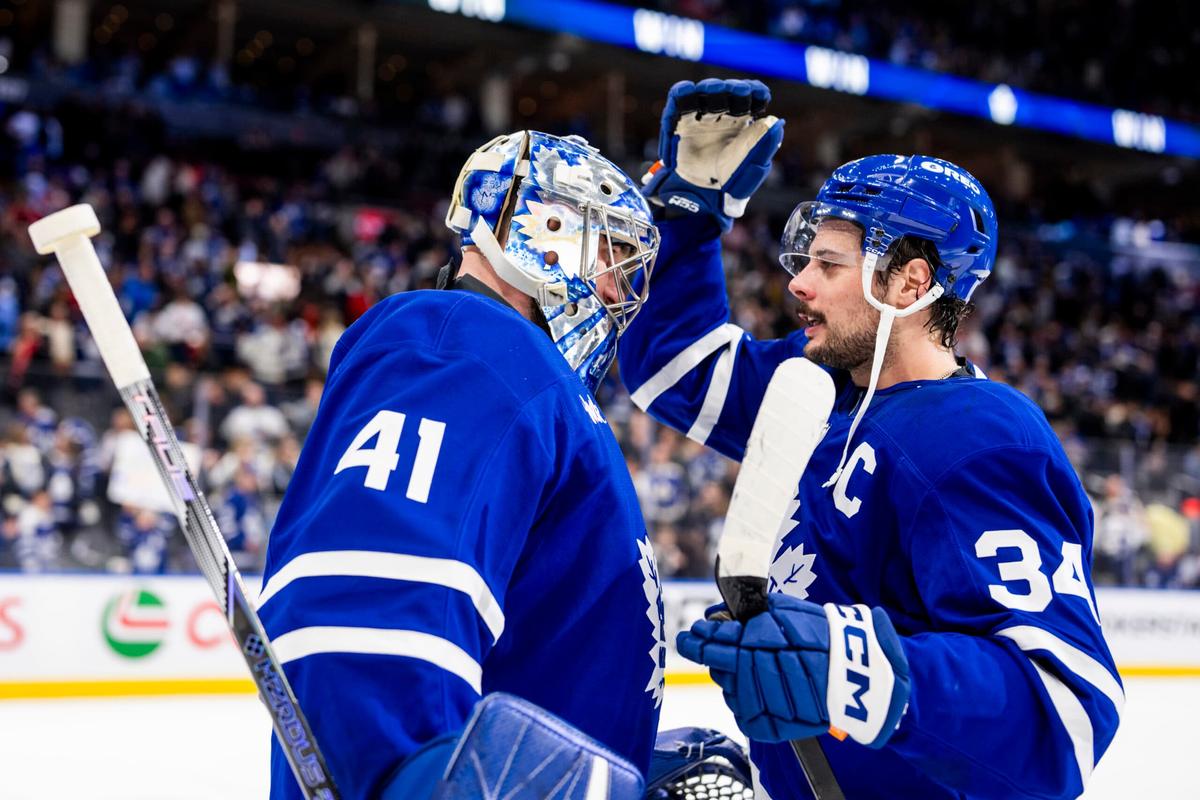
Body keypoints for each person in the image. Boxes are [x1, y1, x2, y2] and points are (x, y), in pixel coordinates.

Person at [619, 79, 1122, 799]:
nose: (800, 285)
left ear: (910, 282)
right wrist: (690, 214)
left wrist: (852, 668)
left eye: (828, 264)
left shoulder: (978, 436)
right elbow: (674, 369)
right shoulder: (818, 387)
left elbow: (1064, 712)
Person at [258, 130, 666, 799]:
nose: (618, 290)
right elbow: (360, 628)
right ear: (547, 228)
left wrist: (628, 767)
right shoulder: (464, 344)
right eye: (612, 256)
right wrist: (405, 777)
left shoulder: (527, 375)